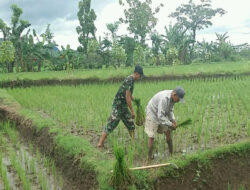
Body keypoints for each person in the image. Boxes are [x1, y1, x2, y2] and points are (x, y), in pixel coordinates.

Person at [98, 65, 144, 148]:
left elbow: (129, 94)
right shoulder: (129, 80)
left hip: (124, 106)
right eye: (140, 76)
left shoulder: (131, 80)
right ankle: (100, 143)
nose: (140, 78)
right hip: (118, 105)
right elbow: (127, 97)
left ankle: (134, 142)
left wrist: (136, 100)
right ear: (136, 74)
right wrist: (132, 111)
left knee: (130, 123)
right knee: (112, 123)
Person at [145, 86, 185, 160]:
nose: (179, 101)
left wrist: (173, 120)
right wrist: (170, 124)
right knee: (151, 135)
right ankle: (149, 157)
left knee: (168, 132)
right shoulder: (164, 99)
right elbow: (160, 116)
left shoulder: (173, 99)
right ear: (174, 94)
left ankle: (171, 154)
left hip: (161, 114)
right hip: (152, 113)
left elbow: (170, 111)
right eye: (179, 99)